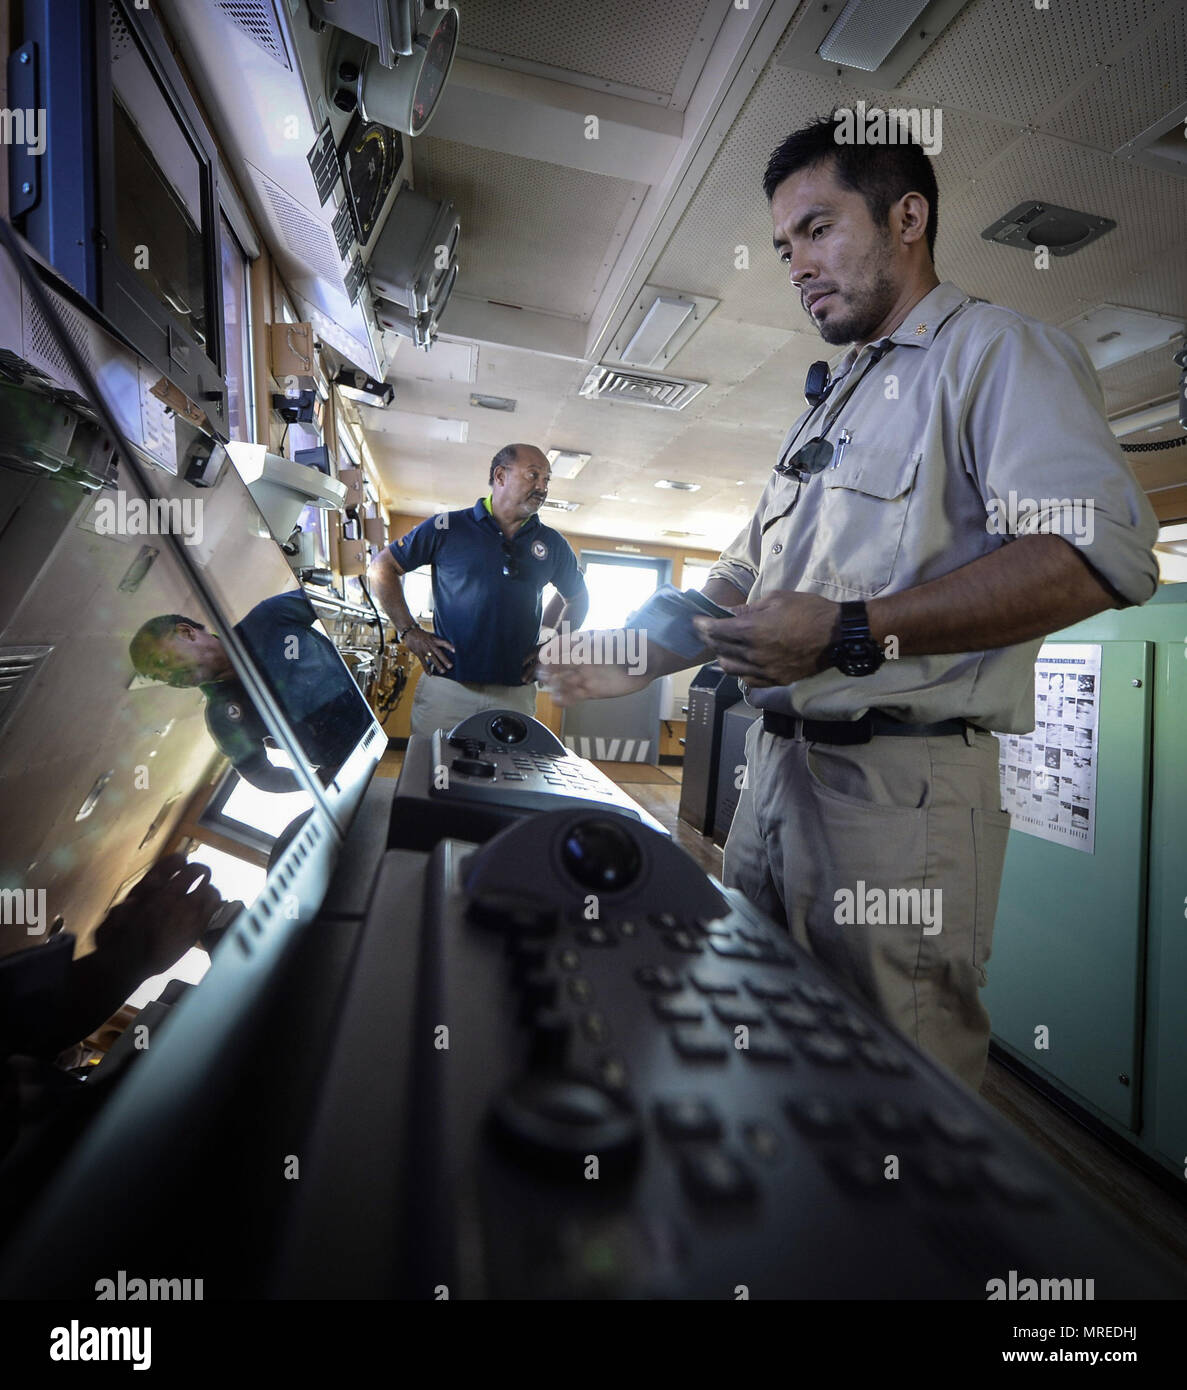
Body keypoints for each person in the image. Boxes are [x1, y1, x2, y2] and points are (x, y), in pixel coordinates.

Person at [540, 113, 1158, 1092]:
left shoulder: (996, 354)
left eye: (818, 228)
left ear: (906, 217)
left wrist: (849, 631)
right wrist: (621, 655)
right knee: (754, 1044)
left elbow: (1095, 555)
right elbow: (731, 588)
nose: (795, 264)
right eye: (785, 245)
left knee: (890, 1094)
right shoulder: (826, 406)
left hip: (899, 799)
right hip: (772, 780)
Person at [368, 443, 590, 736]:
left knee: (510, 778)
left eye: (547, 479)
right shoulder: (447, 527)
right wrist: (410, 632)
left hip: (514, 695)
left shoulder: (552, 544)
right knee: (432, 775)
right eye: (533, 475)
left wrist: (551, 646)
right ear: (500, 476)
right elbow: (382, 567)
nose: (542, 487)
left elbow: (577, 598)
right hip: (449, 688)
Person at [130, 593, 370, 791]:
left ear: (186, 632)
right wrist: (314, 782)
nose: (168, 678)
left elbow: (336, 609)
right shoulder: (221, 717)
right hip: (347, 765)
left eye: (161, 663)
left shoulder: (270, 618)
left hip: (374, 713)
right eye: (158, 678)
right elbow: (258, 772)